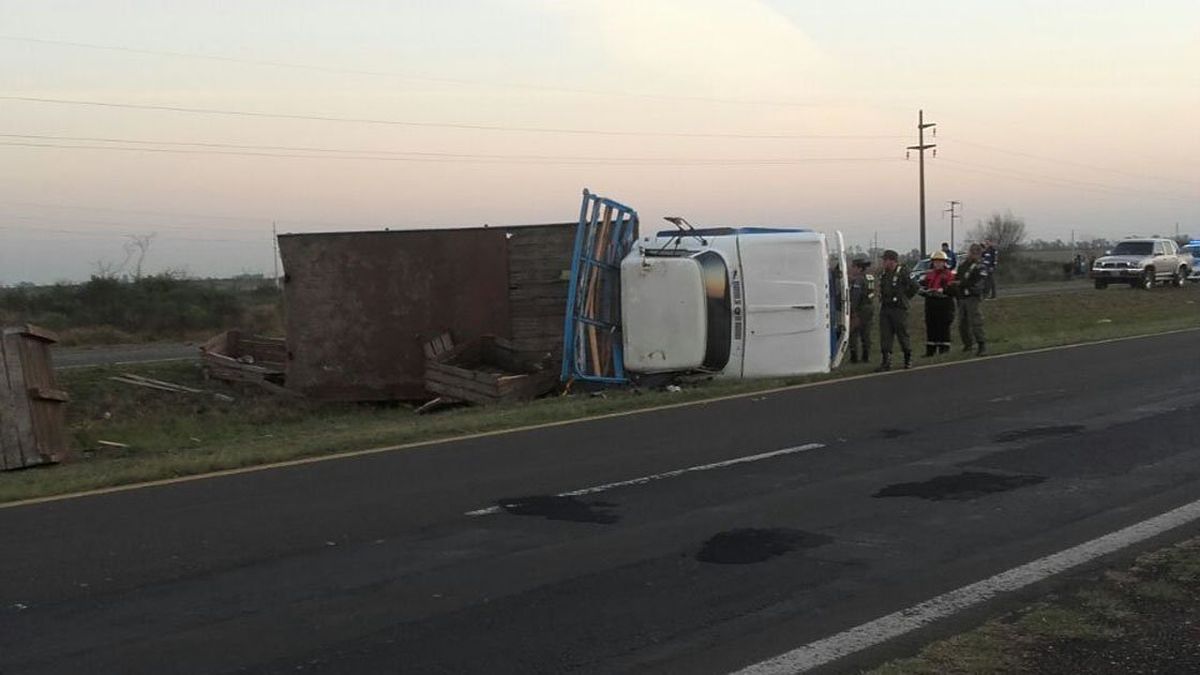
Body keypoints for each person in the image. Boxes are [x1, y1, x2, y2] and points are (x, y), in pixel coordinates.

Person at [874, 249, 918, 372]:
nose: (883, 262)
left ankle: (908, 358)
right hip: (886, 308)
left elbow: (915, 286)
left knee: (902, 334)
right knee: (885, 336)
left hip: (899, 309)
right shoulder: (884, 274)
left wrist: (905, 297)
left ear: (891, 260)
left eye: (885, 260)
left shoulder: (903, 271)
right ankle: (886, 361)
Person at [952, 243, 989, 356]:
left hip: (972, 296)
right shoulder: (963, 265)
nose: (972, 254)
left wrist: (964, 284)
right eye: (971, 252)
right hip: (962, 296)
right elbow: (958, 277)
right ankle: (968, 344)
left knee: (975, 322)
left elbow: (980, 282)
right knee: (962, 323)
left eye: (975, 252)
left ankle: (981, 344)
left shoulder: (980, 266)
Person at [920, 249, 956, 356]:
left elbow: (953, 290)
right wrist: (924, 291)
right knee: (931, 326)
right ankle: (930, 350)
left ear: (944, 262)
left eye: (940, 262)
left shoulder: (949, 275)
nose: (937, 264)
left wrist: (943, 290)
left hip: (944, 304)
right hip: (931, 303)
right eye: (935, 262)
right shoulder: (929, 275)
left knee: (943, 327)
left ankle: (944, 350)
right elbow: (923, 285)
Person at [847, 257, 876, 363]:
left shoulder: (858, 280)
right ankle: (866, 356)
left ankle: (854, 357)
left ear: (859, 268)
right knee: (866, 333)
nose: (852, 269)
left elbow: (856, 296)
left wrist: (852, 310)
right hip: (869, 307)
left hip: (860, 308)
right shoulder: (870, 277)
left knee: (853, 333)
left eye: (853, 267)